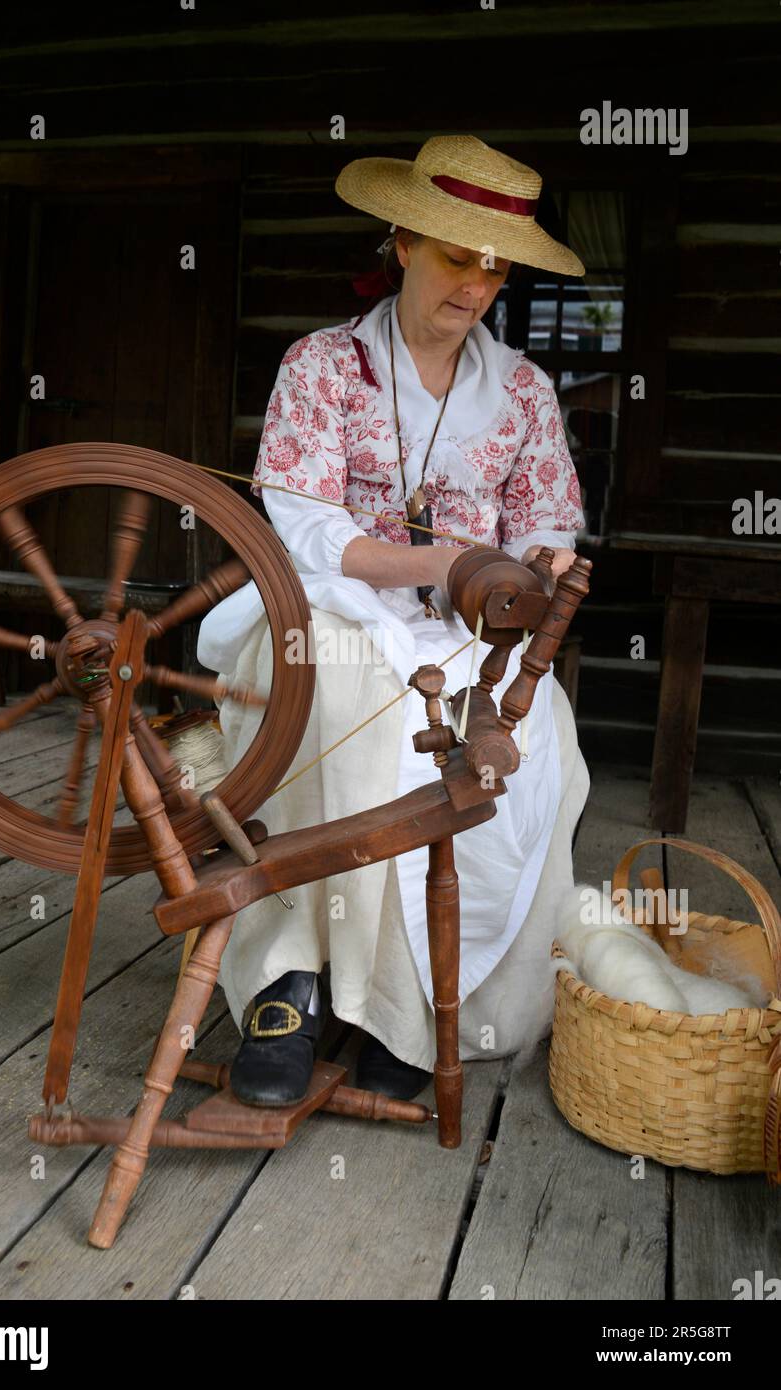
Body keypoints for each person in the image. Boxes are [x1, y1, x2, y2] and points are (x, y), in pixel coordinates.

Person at [197, 134, 591, 1106]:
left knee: (539, 737)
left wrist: (535, 566)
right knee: (343, 691)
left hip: (464, 630)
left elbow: (545, 521)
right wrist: (446, 560)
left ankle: (415, 1003)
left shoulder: (524, 394)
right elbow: (306, 529)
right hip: (321, 606)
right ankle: (290, 979)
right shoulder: (324, 367)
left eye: (495, 266)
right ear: (403, 240)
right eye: (458, 256)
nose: (475, 285)